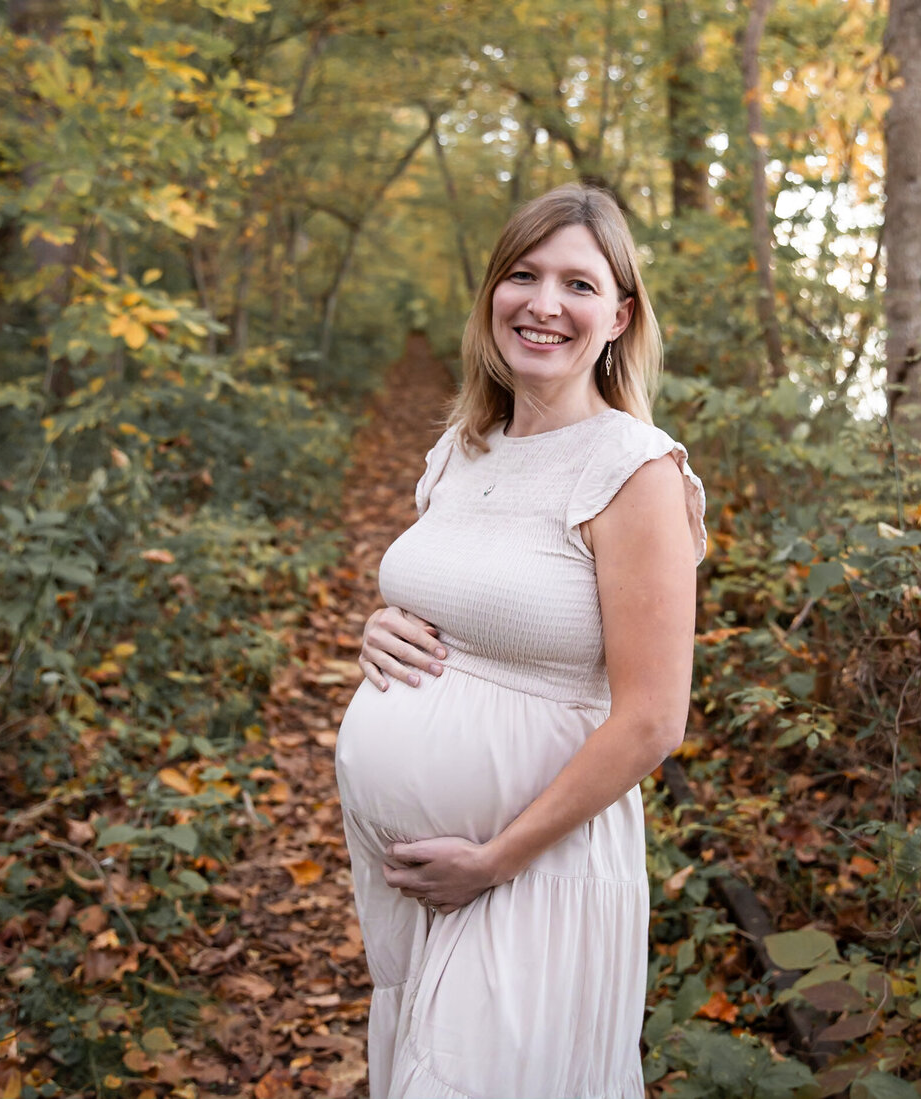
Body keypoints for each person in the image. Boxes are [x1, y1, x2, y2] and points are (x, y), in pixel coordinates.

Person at [334, 183, 706, 1099]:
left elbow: (653, 720)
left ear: (619, 316)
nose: (544, 304)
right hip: (417, 883)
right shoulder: (463, 447)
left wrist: (493, 860)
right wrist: (379, 631)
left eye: (578, 285)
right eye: (524, 275)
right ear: (491, 294)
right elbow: (465, 604)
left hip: (536, 872)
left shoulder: (634, 470)